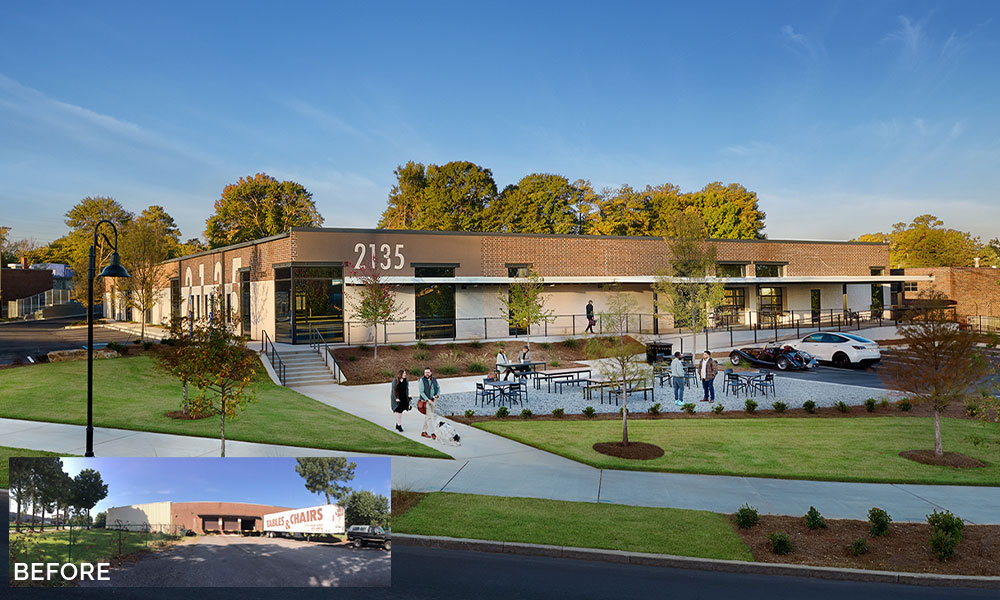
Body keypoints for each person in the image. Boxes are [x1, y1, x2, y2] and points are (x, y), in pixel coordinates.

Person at [419, 367, 441, 438]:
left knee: (428, 416)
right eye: (425, 372)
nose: (427, 374)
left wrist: (437, 395)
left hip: (433, 400)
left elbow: (438, 388)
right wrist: (428, 400)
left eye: (428, 372)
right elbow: (421, 392)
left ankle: (423, 431)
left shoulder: (434, 379)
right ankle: (433, 433)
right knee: (429, 417)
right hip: (426, 401)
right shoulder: (422, 380)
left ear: (431, 373)